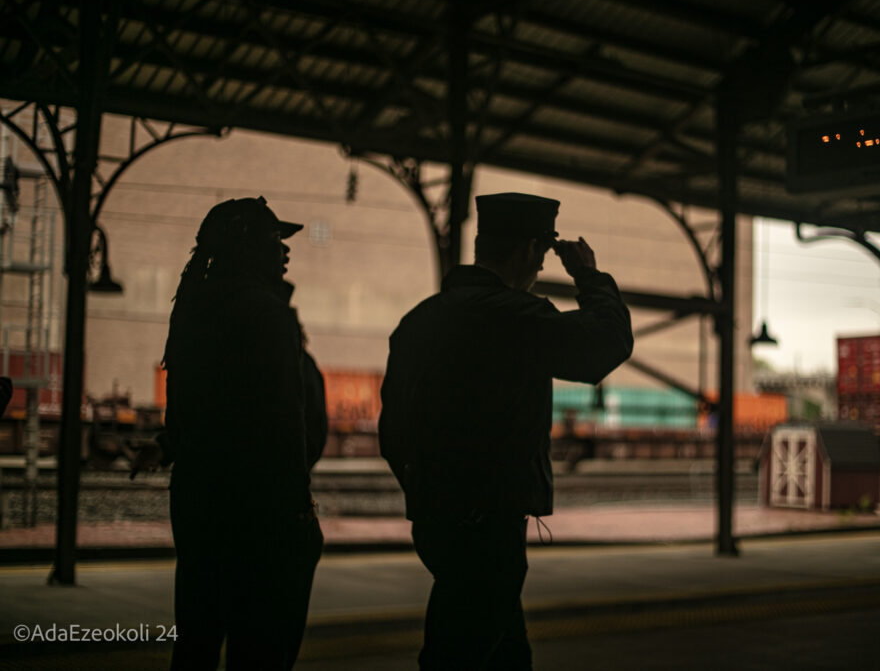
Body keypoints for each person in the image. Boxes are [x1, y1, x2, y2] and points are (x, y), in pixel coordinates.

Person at [379, 192, 633, 670]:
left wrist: (427, 491)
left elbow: (391, 429)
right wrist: (589, 276)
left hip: (435, 522)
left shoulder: (417, 322)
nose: (538, 269)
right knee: (458, 654)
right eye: (540, 255)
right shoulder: (513, 316)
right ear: (529, 251)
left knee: (502, 652)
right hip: (489, 527)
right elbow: (608, 343)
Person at [137, 197, 325, 671]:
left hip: (199, 506)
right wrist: (301, 514)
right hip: (261, 515)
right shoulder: (268, 314)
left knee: (197, 641)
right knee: (261, 650)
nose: (284, 251)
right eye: (273, 240)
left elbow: (182, 415)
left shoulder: (190, 313)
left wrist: (167, 447)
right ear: (248, 247)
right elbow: (285, 422)